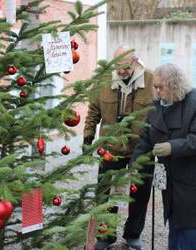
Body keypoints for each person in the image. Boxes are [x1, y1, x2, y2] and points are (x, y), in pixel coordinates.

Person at [83, 45, 154, 250]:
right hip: (111, 150)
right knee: (105, 194)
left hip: (142, 150)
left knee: (140, 194)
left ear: (135, 61)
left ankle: (133, 235)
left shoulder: (150, 80)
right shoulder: (104, 79)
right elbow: (94, 109)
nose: (121, 71)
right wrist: (88, 136)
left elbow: (159, 113)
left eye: (125, 67)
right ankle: (106, 236)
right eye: (118, 67)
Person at [130, 63, 196, 250]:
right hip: (170, 180)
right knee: (175, 223)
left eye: (161, 87)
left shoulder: (194, 102)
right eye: (155, 87)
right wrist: (135, 165)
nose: (157, 91)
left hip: (191, 178)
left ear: (174, 85)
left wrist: (172, 147)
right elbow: (144, 139)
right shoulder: (156, 107)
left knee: (189, 228)